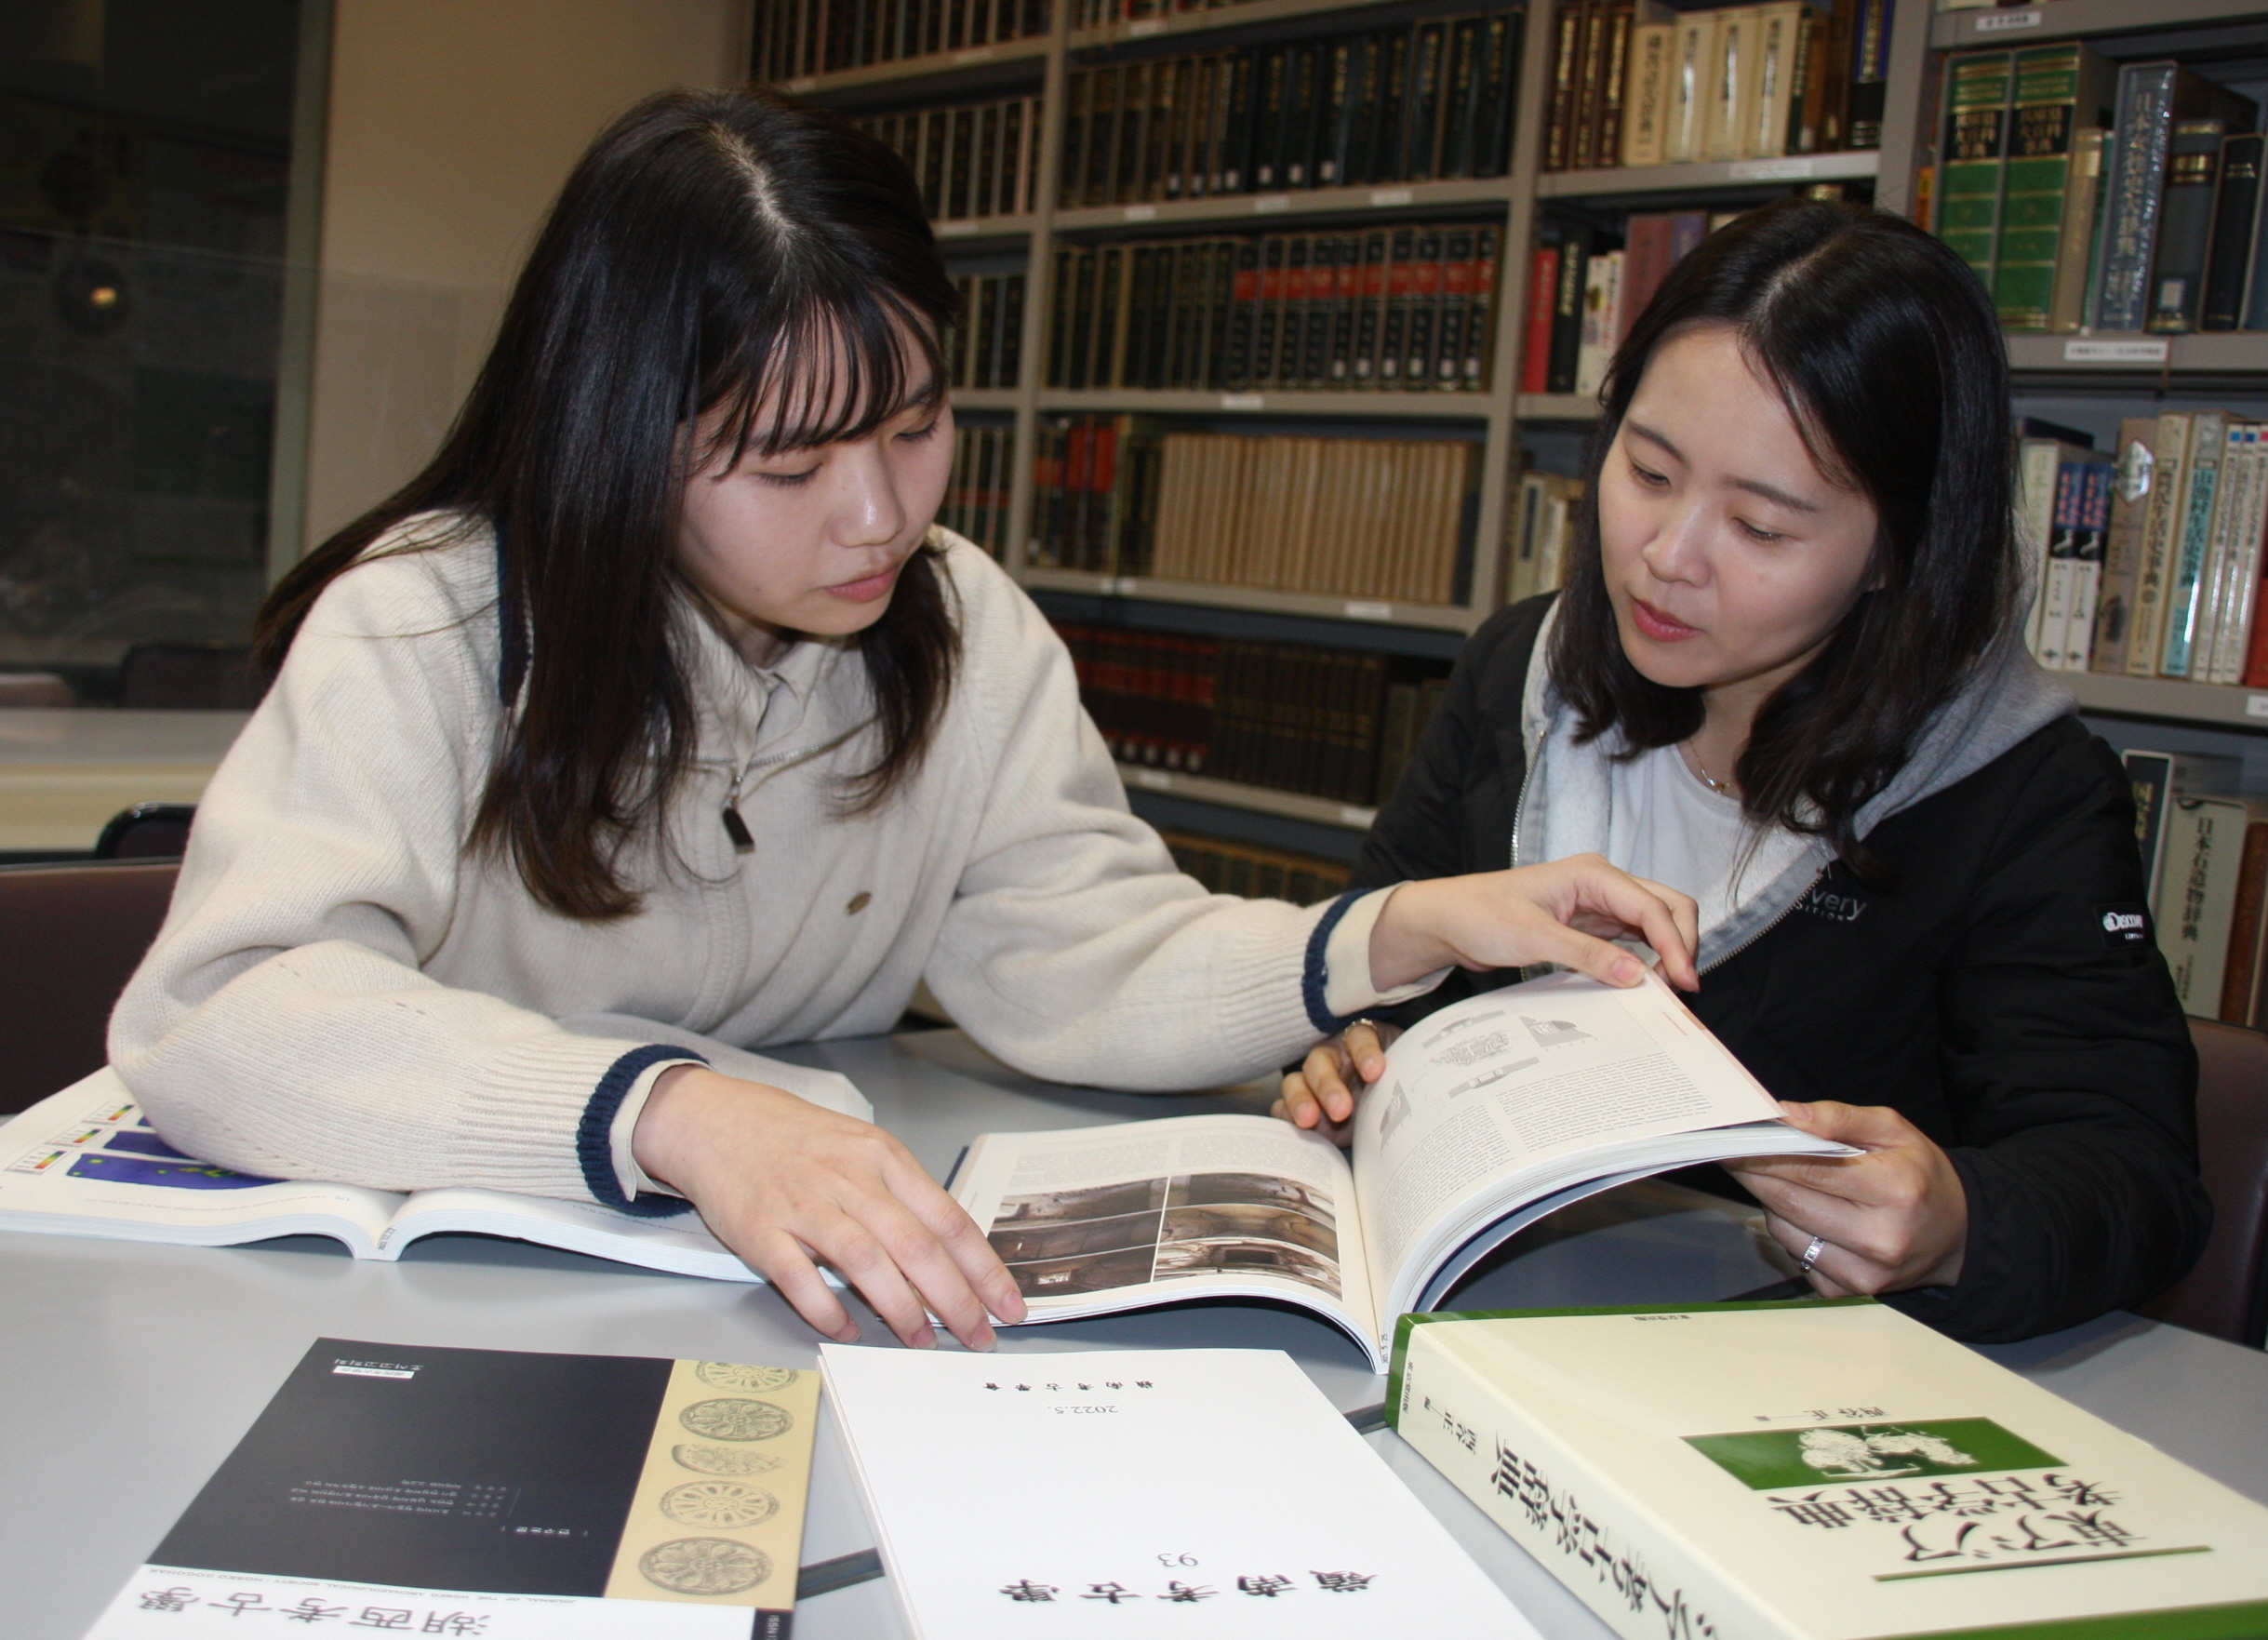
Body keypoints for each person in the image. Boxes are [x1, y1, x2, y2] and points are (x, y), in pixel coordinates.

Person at [108, 88, 1701, 1354]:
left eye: (917, 423)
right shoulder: (435, 620)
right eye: (790, 465)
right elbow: (223, 1009)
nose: (879, 513)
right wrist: (670, 1111)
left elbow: (1077, 952)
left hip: (771, 1311)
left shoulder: (954, 619)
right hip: (431, 1308)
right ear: (619, 432)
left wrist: (1400, 929)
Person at [1278, 198, 2209, 1343]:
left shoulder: (2018, 789)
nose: (1666, 558)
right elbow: (1384, 963)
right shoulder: (1521, 671)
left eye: (1760, 527)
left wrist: (1957, 1219)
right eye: (1647, 471)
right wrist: (1352, 1059)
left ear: (1898, 551)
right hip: (1487, 1330)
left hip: (1805, 1374)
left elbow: (2132, 1173)